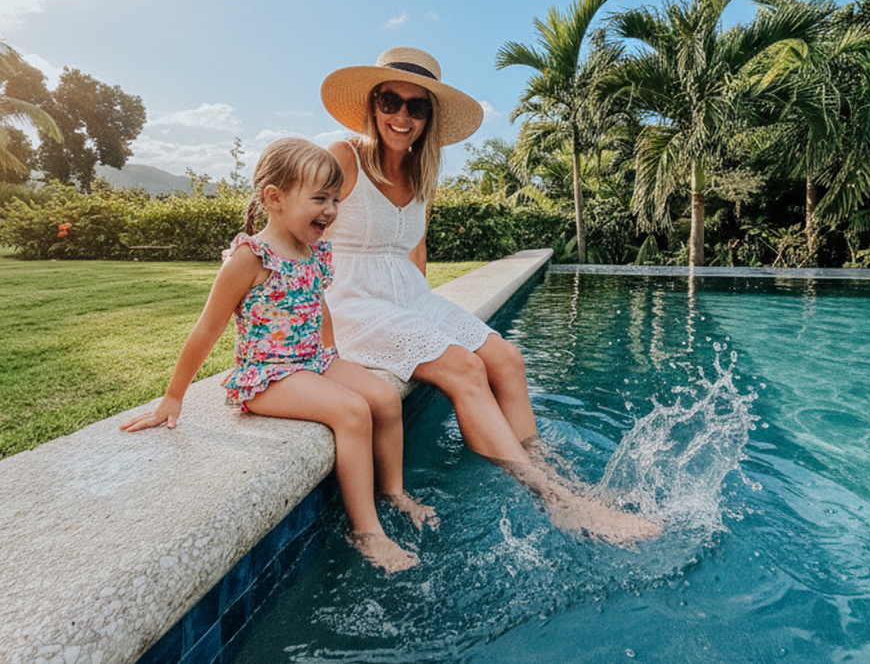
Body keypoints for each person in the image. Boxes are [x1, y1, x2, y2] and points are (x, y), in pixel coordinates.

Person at [321, 48, 660, 545]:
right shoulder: (343, 156)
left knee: (506, 358)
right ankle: (558, 500)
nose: (402, 117)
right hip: (350, 299)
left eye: (417, 108)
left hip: (407, 296)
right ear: (373, 103)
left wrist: (428, 316)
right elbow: (295, 229)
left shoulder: (422, 172)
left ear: (429, 118)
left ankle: (552, 471)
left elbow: (414, 251)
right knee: (465, 370)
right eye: (391, 101)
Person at [120, 138, 435, 572]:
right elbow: (206, 329)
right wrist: (174, 397)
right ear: (274, 198)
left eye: (335, 200)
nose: (330, 211)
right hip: (267, 376)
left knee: (382, 395)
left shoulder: (317, 250)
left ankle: (394, 492)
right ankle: (367, 531)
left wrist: (332, 354)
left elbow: (319, 302)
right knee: (353, 412)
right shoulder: (250, 258)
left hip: (312, 361)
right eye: (319, 199)